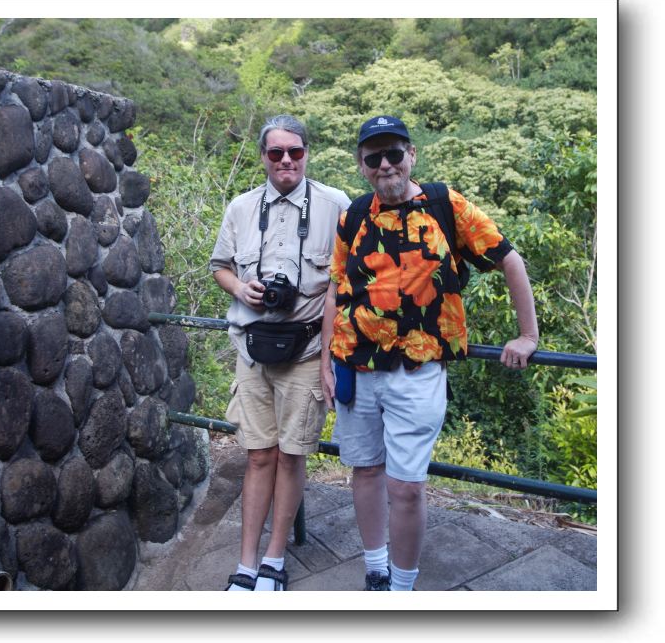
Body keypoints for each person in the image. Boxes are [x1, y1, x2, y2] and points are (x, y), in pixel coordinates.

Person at [319, 115, 539, 591]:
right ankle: (375, 567)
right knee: (365, 470)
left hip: (418, 371)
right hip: (355, 365)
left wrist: (528, 336)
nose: (385, 165)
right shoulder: (353, 216)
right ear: (361, 165)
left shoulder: (445, 204)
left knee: (406, 486)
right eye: (373, 157)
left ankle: (402, 586)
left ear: (411, 155)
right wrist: (325, 363)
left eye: (393, 153)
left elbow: (508, 258)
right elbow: (336, 292)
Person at [211, 114, 350, 591]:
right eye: (276, 153)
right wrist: (240, 288)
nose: (286, 160)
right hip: (252, 349)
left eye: (295, 151)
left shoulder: (336, 206)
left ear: (307, 153)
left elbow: (343, 284)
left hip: (308, 350)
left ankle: (274, 559)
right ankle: (246, 563)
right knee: (257, 456)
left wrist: (332, 357)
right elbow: (220, 267)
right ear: (264, 157)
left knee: (292, 457)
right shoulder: (242, 208)